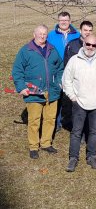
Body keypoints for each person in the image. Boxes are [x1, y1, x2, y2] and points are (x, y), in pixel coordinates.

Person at [12, 25, 64, 159]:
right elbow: (17, 70)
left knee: (50, 119)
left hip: (52, 91)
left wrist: (59, 81)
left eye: (45, 34)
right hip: (34, 92)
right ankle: (33, 146)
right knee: (34, 120)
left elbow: (60, 67)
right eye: (40, 33)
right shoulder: (26, 50)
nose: (42, 36)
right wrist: (21, 87)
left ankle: (46, 143)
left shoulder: (52, 49)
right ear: (34, 34)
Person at [62, 35, 96, 172]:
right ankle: (73, 157)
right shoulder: (74, 60)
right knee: (76, 131)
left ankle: (91, 156)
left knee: (94, 131)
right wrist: (72, 96)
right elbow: (66, 80)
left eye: (93, 45)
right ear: (84, 43)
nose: (90, 47)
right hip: (79, 102)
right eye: (88, 44)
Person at [47, 11, 80, 131]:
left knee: (73, 96)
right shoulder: (51, 35)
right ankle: (56, 121)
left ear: (70, 21)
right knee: (58, 95)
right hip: (57, 70)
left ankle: (72, 122)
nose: (64, 22)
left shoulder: (77, 34)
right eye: (61, 20)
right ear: (58, 21)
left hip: (73, 70)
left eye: (66, 20)